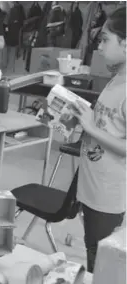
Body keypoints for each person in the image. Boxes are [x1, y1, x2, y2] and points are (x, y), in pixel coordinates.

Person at [68, 7, 126, 273]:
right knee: (92, 248)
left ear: (125, 43)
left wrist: (91, 127)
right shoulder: (117, 79)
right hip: (92, 185)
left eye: (105, 39)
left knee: (101, 259)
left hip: (109, 193)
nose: (99, 46)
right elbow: (107, 126)